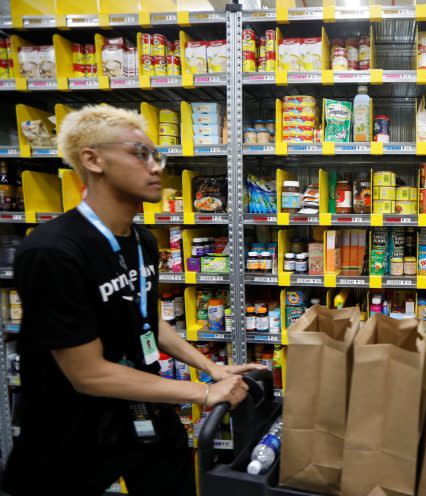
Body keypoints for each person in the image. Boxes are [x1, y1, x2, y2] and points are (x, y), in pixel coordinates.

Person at [1, 105, 262, 496]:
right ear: (93, 159)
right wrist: (203, 393)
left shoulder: (140, 241)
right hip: (69, 429)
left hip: (141, 410)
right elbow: (88, 373)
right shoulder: (52, 251)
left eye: (157, 155)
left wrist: (213, 369)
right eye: (139, 153)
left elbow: (145, 319)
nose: (156, 167)